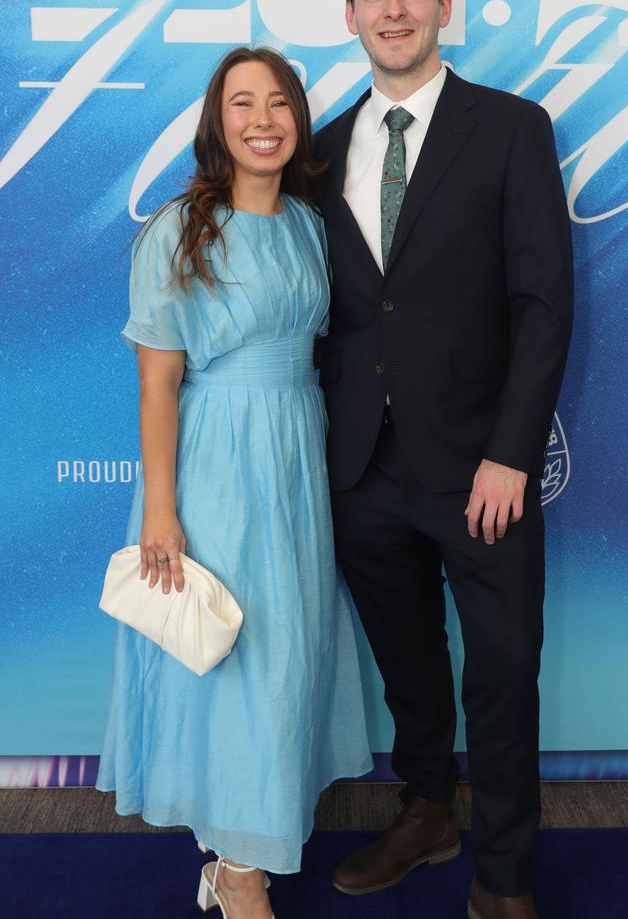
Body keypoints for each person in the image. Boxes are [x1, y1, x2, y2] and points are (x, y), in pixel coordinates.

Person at [314, 0, 573, 919]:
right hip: (364, 468)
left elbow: (544, 303)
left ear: (444, 4)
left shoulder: (512, 126)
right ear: (350, 14)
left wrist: (512, 453)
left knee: (503, 671)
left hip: (481, 468)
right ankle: (429, 810)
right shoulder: (323, 146)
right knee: (409, 662)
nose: (393, 11)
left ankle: (505, 876)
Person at [96, 46, 372, 919]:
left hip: (296, 456)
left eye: (279, 101)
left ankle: (240, 852)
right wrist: (165, 513)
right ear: (217, 124)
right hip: (214, 464)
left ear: (298, 119)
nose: (263, 119)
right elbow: (157, 384)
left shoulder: (305, 222)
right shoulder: (176, 230)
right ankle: (241, 872)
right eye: (241, 103)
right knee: (230, 664)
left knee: (286, 659)